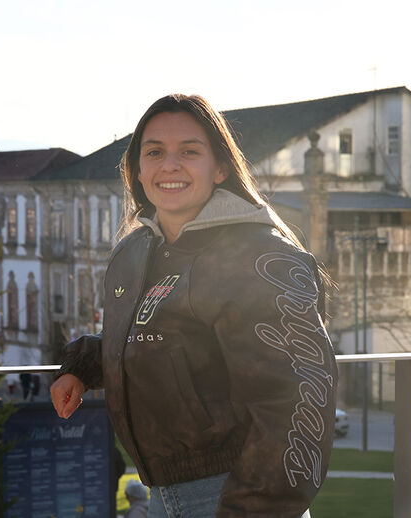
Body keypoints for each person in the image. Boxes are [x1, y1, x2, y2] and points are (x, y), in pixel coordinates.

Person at [50, 94, 338, 518]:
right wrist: (85, 363)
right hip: (162, 495)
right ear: (137, 169)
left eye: (189, 151)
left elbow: (297, 402)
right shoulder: (136, 252)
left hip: (233, 493)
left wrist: (251, 509)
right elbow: (166, 335)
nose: (169, 165)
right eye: (154, 152)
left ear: (220, 166)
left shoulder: (257, 257)